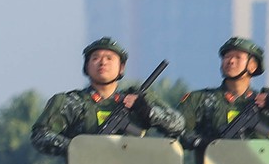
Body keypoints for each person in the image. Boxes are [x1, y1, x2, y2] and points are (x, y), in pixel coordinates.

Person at [30, 37, 184, 154]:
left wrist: (147, 111)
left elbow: (178, 125)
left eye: (110, 58)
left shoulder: (138, 99)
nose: (103, 63)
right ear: (86, 66)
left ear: (121, 67)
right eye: (95, 58)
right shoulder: (70, 102)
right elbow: (40, 135)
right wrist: (77, 149)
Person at [179, 36, 269, 152]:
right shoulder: (200, 100)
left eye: (238, 57)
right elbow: (177, 132)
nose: (230, 61)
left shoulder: (268, 100)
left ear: (252, 66)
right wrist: (203, 143)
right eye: (227, 56)